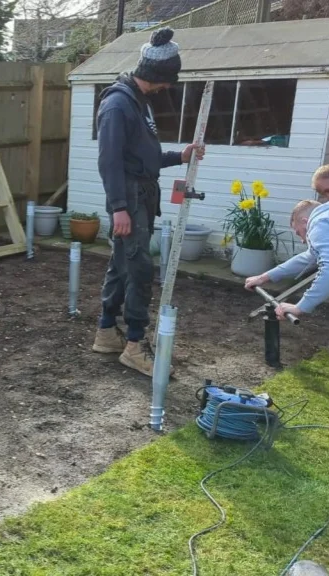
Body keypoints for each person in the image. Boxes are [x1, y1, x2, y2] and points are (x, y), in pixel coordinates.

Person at [90, 26, 205, 377]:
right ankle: (135, 346)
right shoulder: (117, 105)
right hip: (130, 199)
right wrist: (119, 207)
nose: (169, 86)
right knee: (140, 271)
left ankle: (106, 332)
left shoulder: (140, 104)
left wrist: (178, 157)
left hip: (140, 195)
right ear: (155, 75)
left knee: (122, 265)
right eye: (167, 80)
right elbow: (108, 161)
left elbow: (145, 154)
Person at [244, 199, 329, 320]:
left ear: (305, 222)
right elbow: (308, 257)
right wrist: (264, 277)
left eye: (299, 233)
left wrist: (300, 307)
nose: (303, 241)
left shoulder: (319, 223)